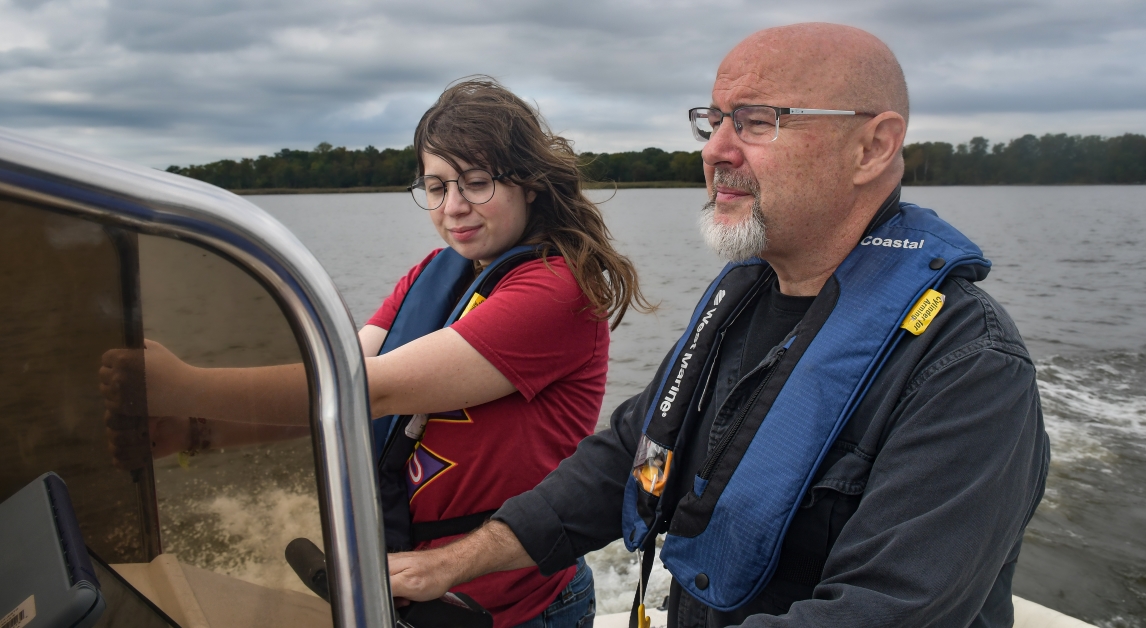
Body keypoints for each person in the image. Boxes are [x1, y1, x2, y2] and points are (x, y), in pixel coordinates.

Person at [386, 23, 1050, 628]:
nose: (716, 151)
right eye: (713, 122)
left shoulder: (969, 368)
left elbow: (886, 611)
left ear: (872, 147)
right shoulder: (740, 302)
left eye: (758, 122)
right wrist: (451, 563)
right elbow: (629, 458)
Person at [100, 77, 653, 628]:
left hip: (522, 610)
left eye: (476, 183)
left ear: (529, 185)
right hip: (420, 597)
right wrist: (198, 430)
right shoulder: (429, 278)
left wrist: (183, 384)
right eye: (436, 188)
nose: (454, 207)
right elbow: (335, 388)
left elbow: (369, 388)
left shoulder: (557, 289)